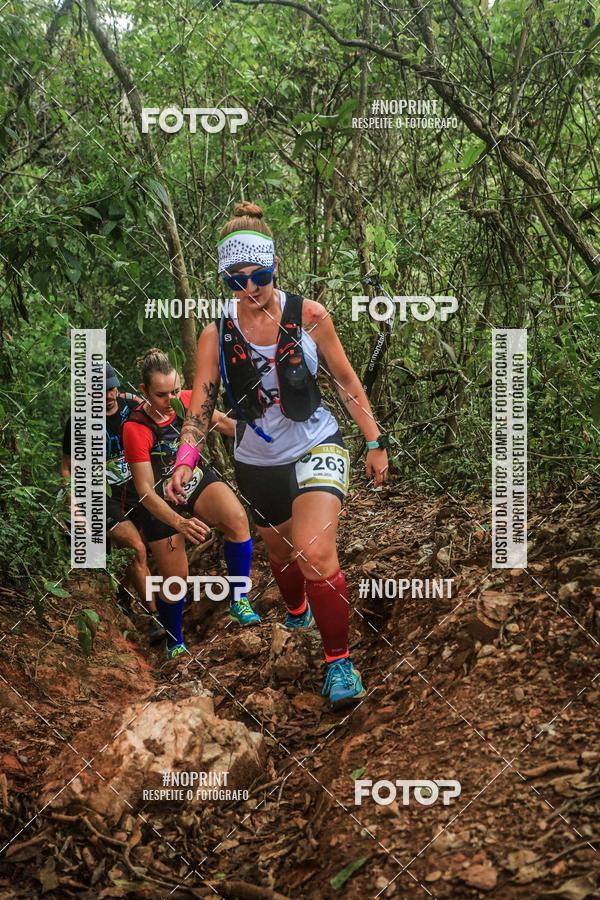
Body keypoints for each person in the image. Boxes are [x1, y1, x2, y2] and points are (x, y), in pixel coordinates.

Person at [165, 202, 389, 707]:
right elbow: (201, 405)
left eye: (259, 275)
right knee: (281, 552)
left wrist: (374, 441)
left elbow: (346, 381)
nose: (250, 288)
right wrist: (185, 458)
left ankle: (339, 663)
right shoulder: (215, 334)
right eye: (236, 280)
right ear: (224, 278)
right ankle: (296, 612)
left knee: (314, 551)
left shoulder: (309, 317)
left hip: (316, 442)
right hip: (257, 460)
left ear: (275, 266)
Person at [122, 348, 260, 660]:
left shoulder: (186, 399)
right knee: (176, 581)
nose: (169, 399)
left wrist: (270, 438)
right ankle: (174, 640)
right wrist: (179, 523)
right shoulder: (135, 428)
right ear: (143, 391)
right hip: (160, 499)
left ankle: (239, 599)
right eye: (160, 394)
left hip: (193, 480)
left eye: (173, 390)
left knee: (237, 519)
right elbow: (144, 491)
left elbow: (227, 425)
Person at [60, 361, 165, 643]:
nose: (108, 395)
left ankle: (121, 598)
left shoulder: (134, 407)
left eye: (111, 388)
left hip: (139, 489)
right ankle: (154, 619)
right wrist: (73, 498)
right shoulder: (80, 420)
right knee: (135, 548)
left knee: (145, 549)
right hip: (100, 495)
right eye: (100, 390)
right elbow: (68, 464)